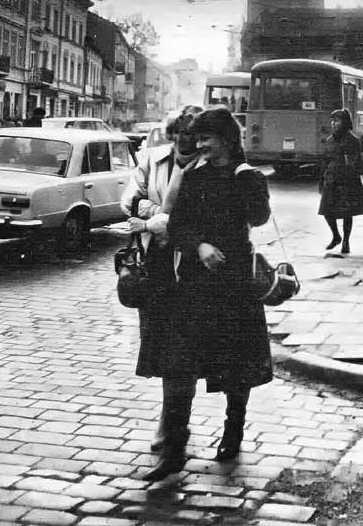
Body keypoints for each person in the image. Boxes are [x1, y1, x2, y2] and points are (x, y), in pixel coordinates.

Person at [142, 107, 272, 481]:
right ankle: (174, 451)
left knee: (237, 366)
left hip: (234, 286)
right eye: (197, 138)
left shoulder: (247, 176)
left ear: (227, 139)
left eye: (206, 138)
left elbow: (259, 218)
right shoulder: (193, 177)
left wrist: (247, 180)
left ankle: (233, 432)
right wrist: (198, 246)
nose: (200, 145)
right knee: (179, 365)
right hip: (195, 285)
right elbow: (177, 226)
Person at [119, 105, 203, 475]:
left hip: (189, 269)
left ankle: (173, 428)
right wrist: (159, 216)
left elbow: (194, 218)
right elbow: (129, 200)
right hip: (155, 266)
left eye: (193, 132)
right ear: (172, 132)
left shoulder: (206, 165)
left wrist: (152, 217)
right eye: (180, 131)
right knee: (159, 348)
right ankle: (169, 424)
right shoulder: (153, 159)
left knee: (182, 353)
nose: (186, 138)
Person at [318, 109, 363, 255]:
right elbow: (325, 161)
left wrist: (350, 168)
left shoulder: (352, 140)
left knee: (347, 213)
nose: (334, 124)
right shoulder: (330, 140)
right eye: (332, 121)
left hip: (347, 180)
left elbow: (356, 162)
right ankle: (336, 235)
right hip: (331, 179)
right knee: (326, 211)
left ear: (345, 122)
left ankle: (346, 241)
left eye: (337, 120)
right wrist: (322, 179)